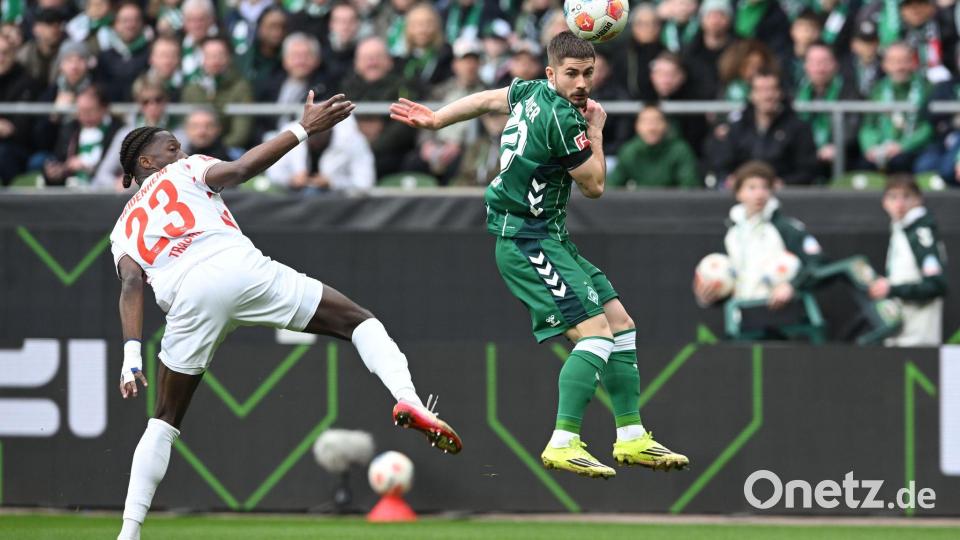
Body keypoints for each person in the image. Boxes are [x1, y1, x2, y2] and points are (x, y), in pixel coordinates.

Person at [112, 91, 461, 540]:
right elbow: (239, 170)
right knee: (358, 321)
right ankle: (407, 397)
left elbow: (130, 285)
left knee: (163, 421)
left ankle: (129, 532)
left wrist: (130, 354)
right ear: (145, 162)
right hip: (238, 268)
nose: (179, 150)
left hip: (187, 298)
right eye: (170, 146)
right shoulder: (185, 169)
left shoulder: (121, 228)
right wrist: (303, 129)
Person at [390, 31, 689, 479]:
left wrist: (437, 120)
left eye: (588, 73)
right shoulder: (566, 122)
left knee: (621, 324)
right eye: (571, 74)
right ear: (552, 73)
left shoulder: (529, 91)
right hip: (527, 240)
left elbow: (486, 99)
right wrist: (596, 131)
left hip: (547, 235)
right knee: (596, 335)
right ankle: (563, 441)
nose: (582, 82)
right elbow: (595, 186)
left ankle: (631, 436)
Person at [694, 160, 824, 308]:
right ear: (738, 193)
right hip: (742, 320)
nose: (759, 194)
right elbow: (731, 281)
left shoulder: (786, 228)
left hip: (783, 319)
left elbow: (818, 263)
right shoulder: (731, 234)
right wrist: (708, 297)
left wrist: (792, 287)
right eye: (752, 188)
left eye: (765, 187)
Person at [868, 174, 947, 346]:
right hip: (901, 333)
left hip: (919, 338)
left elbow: (936, 285)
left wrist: (893, 289)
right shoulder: (900, 230)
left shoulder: (920, 233)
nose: (900, 204)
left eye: (907, 196)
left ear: (919, 200)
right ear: (884, 202)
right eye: (893, 197)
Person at [706, 71, 820, 185]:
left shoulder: (798, 128)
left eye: (772, 89)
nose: (767, 96)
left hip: (787, 195)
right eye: (761, 90)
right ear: (751, 95)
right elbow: (722, 164)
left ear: (780, 93)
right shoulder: (738, 128)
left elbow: (808, 170)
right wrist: (732, 179)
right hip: (744, 194)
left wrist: (784, 183)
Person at [858, 42, 932, 173]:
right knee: (863, 166)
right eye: (893, 61)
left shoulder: (926, 88)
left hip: (913, 148)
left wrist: (903, 146)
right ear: (884, 65)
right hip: (882, 147)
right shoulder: (878, 90)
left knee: (901, 162)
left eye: (904, 61)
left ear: (913, 63)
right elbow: (868, 125)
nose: (899, 67)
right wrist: (870, 147)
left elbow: (929, 127)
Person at [795, 42, 861, 178]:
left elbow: (852, 126)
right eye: (814, 62)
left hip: (841, 154)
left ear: (835, 64)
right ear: (805, 66)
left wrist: (836, 145)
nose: (819, 68)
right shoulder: (795, 93)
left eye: (824, 62)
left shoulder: (850, 92)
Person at [181, 36, 254, 151]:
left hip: (228, 149)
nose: (215, 60)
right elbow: (186, 125)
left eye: (220, 55)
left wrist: (217, 148)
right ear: (202, 59)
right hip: (195, 147)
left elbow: (241, 132)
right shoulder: (192, 88)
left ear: (228, 58)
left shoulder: (241, 87)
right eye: (209, 56)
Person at [42, 85, 121, 186]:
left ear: (104, 109)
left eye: (90, 110)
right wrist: (56, 172)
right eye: (81, 111)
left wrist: (87, 168)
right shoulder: (70, 129)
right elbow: (59, 160)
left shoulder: (118, 132)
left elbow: (117, 170)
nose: (84, 116)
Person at [607, 105, 700, 189]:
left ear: (666, 125)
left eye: (656, 121)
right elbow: (612, 186)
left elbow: (689, 187)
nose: (651, 128)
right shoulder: (629, 152)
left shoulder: (680, 151)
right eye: (646, 122)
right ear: (637, 126)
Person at [0, 33, 38, 184]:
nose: (1, 58)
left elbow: (21, 127)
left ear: (14, 54)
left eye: (5, 53)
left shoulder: (26, 82)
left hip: (17, 147)